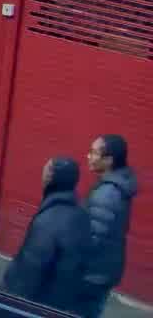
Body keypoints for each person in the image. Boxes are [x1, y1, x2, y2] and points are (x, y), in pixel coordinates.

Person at [3, 157, 93, 311]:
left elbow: (28, 273)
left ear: (50, 177)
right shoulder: (80, 213)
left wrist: (8, 302)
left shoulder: (48, 222)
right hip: (62, 302)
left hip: (41, 305)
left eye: (45, 170)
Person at [80, 134, 137, 317]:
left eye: (94, 153)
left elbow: (92, 238)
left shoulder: (107, 194)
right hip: (104, 270)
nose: (88, 156)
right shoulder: (116, 185)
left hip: (92, 273)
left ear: (109, 160)